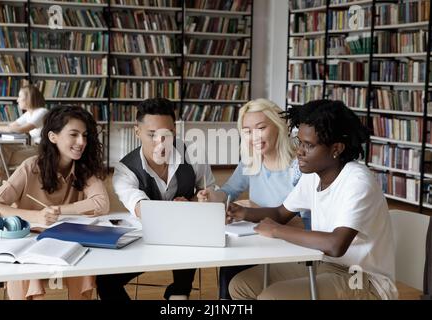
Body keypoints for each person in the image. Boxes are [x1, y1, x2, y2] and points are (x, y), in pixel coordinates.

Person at [227, 99, 398, 300]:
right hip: (323, 265)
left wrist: (276, 230)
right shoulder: (313, 175)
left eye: (308, 145)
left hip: (363, 278)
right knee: (240, 285)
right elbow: (280, 213)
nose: (299, 151)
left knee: (271, 297)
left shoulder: (358, 182)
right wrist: (242, 212)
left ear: (336, 149)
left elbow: (336, 244)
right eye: (300, 142)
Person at [0, 105, 109, 300]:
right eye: (73, 135)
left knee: (85, 266)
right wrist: (36, 216)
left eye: (85, 135)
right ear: (53, 137)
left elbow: (101, 204)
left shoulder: (86, 167)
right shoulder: (31, 167)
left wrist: (60, 209)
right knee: (22, 271)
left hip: (69, 240)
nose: (81, 142)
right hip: (29, 243)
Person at [96, 97, 215, 300]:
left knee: (190, 238)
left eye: (167, 134)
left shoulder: (192, 154)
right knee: (105, 281)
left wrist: (199, 201)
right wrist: (186, 208)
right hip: (143, 241)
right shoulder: (124, 170)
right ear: (137, 132)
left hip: (186, 240)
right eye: (152, 134)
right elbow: (143, 210)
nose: (161, 143)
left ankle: (179, 292)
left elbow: (210, 189)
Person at [197, 98, 310, 299]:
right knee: (229, 263)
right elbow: (230, 190)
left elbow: (305, 222)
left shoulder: (299, 165)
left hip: (290, 245)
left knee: (235, 269)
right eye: (247, 131)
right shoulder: (251, 160)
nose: (254, 136)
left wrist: (250, 212)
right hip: (260, 239)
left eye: (261, 128)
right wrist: (212, 196)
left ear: (278, 125)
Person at [0, 85, 48, 192]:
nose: (17, 100)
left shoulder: (42, 112)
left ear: (29, 98)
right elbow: (11, 126)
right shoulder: (28, 114)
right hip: (33, 147)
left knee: (3, 157)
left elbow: (21, 129)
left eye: (20, 97)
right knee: (4, 149)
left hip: (43, 150)